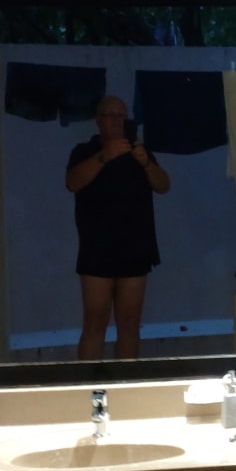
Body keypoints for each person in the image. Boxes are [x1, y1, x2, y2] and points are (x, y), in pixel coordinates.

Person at [65, 96, 170, 359]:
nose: (116, 121)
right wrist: (105, 155)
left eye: (121, 115)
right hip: (96, 249)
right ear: (98, 120)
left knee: (130, 324)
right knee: (94, 322)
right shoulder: (85, 151)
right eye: (110, 115)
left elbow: (163, 185)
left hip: (136, 248)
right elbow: (73, 182)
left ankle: (127, 380)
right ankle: (89, 380)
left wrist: (146, 162)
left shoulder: (139, 151)